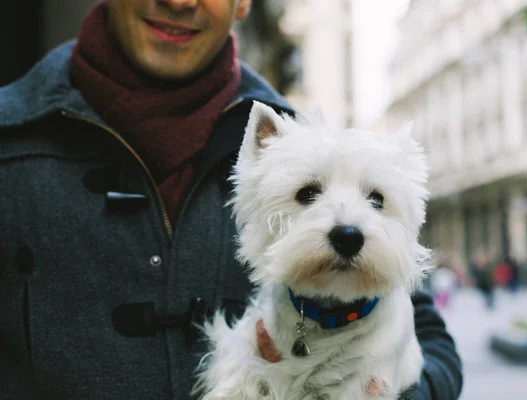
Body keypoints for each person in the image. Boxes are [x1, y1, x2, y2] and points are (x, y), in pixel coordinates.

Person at [0, 1, 463, 399]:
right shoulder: (10, 138)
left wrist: (400, 391)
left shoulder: (297, 141)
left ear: (243, 2)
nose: (179, 1)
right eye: (307, 196)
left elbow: (429, 339)